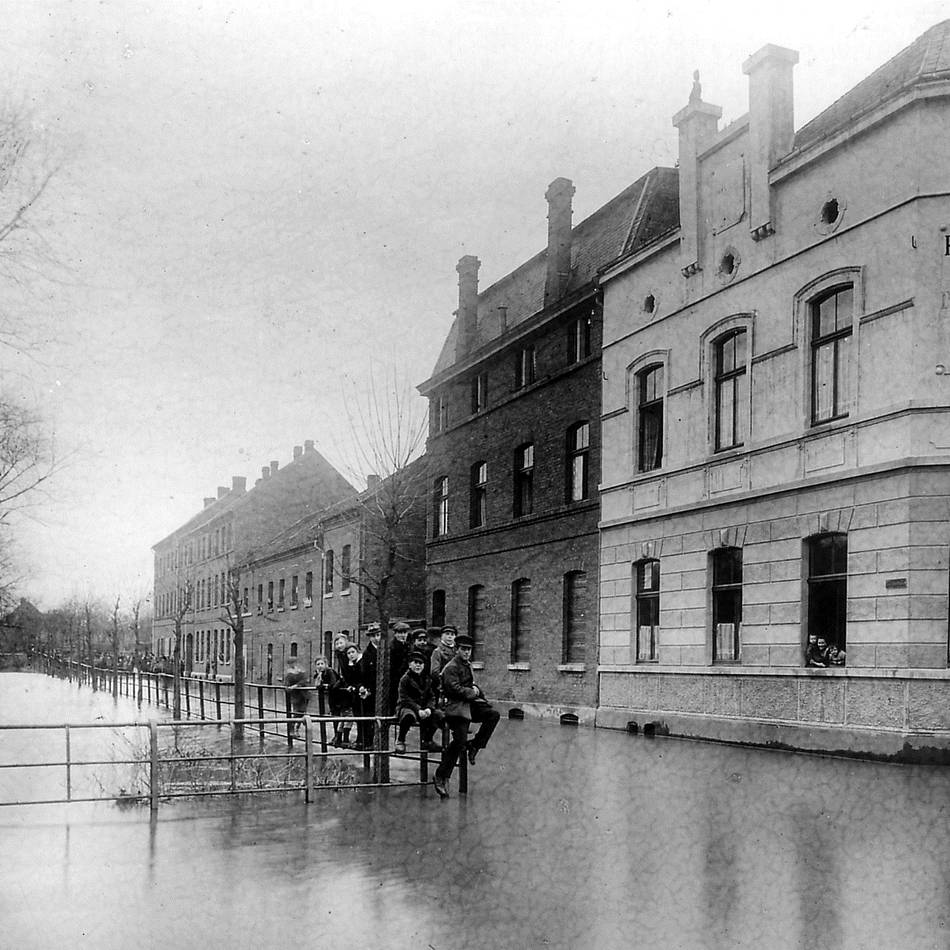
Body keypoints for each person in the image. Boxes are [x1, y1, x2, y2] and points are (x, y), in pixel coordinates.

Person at [432, 632, 499, 799]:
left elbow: (471, 685)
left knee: (493, 715)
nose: (467, 652)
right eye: (463, 649)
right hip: (456, 708)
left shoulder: (467, 665)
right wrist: (473, 692)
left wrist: (479, 694)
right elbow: (454, 689)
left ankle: (475, 745)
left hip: (469, 705)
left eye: (469, 650)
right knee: (459, 740)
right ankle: (441, 774)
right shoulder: (451, 668)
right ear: (457, 649)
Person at [394, 649, 444, 754]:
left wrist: (429, 708)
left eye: (421, 663)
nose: (418, 665)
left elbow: (431, 696)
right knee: (408, 716)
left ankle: (428, 740)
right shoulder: (405, 679)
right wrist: (418, 709)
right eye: (415, 663)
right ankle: (400, 740)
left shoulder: (426, 679)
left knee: (439, 715)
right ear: (409, 665)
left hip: (423, 707)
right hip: (407, 706)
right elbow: (404, 698)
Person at [357, 624, 382, 749]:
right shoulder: (367, 654)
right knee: (369, 716)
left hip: (382, 690)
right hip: (371, 690)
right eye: (373, 636)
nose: (376, 638)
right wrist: (365, 688)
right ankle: (368, 742)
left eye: (378, 635)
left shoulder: (384, 651)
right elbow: (364, 673)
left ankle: (380, 743)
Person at [313, 656, 346, 746]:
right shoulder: (320, 674)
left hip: (340, 697)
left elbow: (333, 684)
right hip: (332, 698)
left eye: (322, 664)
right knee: (335, 717)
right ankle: (337, 737)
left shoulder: (330, 671)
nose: (320, 666)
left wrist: (324, 686)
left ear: (326, 664)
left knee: (340, 718)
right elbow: (317, 685)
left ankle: (339, 738)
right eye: (318, 664)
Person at [337, 643, 363, 748]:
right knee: (353, 717)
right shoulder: (351, 664)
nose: (351, 655)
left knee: (359, 717)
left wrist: (356, 686)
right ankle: (344, 739)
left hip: (362, 692)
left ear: (358, 652)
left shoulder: (360, 663)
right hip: (353, 694)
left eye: (353, 652)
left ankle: (360, 740)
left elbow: (362, 677)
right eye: (348, 653)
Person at [283, 656, 309, 735]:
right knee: (297, 712)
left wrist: (296, 686)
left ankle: (296, 729)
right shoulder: (288, 674)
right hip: (295, 695)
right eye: (291, 663)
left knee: (302, 712)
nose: (293, 664)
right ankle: (292, 728)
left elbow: (304, 680)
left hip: (304, 694)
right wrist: (289, 688)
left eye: (294, 662)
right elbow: (286, 685)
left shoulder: (301, 671)